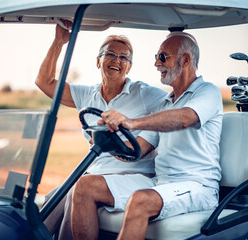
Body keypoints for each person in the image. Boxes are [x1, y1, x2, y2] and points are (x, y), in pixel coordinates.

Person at [71, 31, 223, 240]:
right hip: (161, 182)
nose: (156, 64)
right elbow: (138, 150)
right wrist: (108, 142)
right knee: (85, 186)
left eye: (163, 57)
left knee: (139, 201)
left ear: (185, 59)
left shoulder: (207, 92)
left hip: (197, 186)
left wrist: (132, 122)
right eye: (156, 57)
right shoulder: (165, 104)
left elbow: (185, 118)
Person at [35, 19, 167, 239]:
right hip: (96, 173)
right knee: (52, 202)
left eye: (124, 57)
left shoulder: (143, 94)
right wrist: (59, 42)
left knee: (78, 190)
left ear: (129, 66)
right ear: (98, 61)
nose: (117, 60)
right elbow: (44, 82)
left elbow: (178, 103)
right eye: (110, 54)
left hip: (133, 174)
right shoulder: (88, 95)